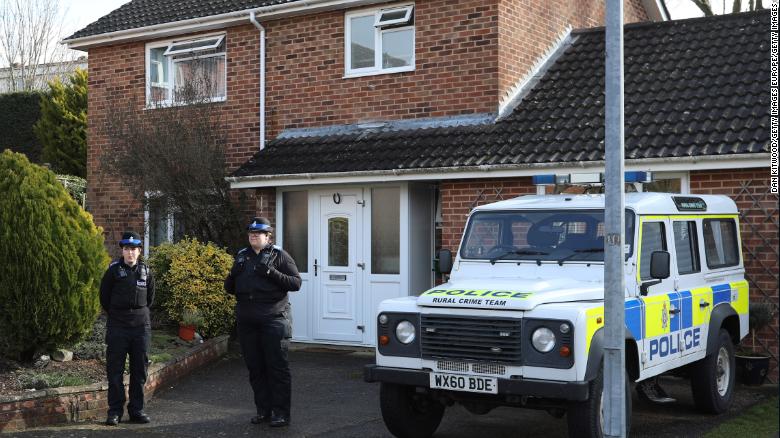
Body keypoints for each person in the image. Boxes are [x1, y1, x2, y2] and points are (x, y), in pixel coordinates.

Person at [225, 217, 302, 427]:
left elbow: (296, 283)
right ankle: (263, 411)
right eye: (251, 232)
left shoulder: (279, 255)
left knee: (277, 367)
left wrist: (270, 272)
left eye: (258, 233)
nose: (253, 236)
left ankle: (281, 413)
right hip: (248, 321)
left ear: (268, 237)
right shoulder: (242, 256)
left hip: (274, 319)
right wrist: (232, 275)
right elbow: (229, 288)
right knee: (255, 368)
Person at [99, 231, 155, 426]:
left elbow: (150, 299)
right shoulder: (113, 271)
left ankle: (137, 410)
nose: (130, 253)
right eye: (126, 249)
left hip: (141, 327)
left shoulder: (146, 271)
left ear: (139, 251)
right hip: (118, 326)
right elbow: (104, 297)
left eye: (133, 249)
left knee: (140, 370)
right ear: (122, 251)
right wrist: (118, 313)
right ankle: (114, 411)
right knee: (114, 370)